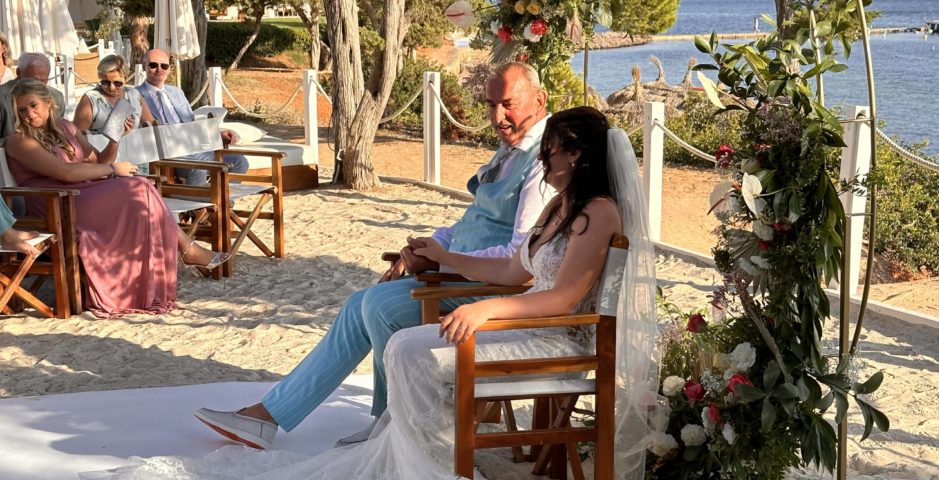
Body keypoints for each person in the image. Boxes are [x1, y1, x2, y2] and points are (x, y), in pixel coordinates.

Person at [89, 107, 658, 480]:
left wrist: (485, 309)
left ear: (575, 154)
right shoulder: (563, 208)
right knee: (404, 344)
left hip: (559, 339)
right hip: (527, 319)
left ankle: (432, 464)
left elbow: (562, 299)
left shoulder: (598, 214)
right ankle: (417, 458)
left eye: (550, 151)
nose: (542, 159)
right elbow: (515, 270)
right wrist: (445, 258)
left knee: (409, 347)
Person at [193, 61, 556, 449]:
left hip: (491, 289)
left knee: (381, 305)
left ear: (539, 100)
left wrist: (441, 260)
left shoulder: (545, 163)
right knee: (358, 304)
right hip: (459, 274)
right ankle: (269, 417)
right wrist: (427, 246)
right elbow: (474, 221)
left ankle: (394, 422)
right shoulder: (512, 149)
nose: (497, 117)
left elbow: (521, 255)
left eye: (507, 104)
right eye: (490, 105)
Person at [3, 79, 232, 317]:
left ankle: (181, 254)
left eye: (33, 106)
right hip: (55, 203)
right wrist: (114, 170)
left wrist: (116, 137)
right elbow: (66, 173)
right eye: (22, 110)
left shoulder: (65, 128)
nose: (29, 114)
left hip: (82, 192)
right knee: (139, 187)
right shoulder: (19, 141)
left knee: (141, 186)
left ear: (48, 103)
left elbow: (99, 161)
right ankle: (186, 249)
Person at [136, 48, 248, 185]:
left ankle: (224, 196)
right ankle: (192, 200)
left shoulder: (176, 92)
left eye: (164, 66)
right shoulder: (135, 95)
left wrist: (217, 134)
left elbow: (192, 126)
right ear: (144, 67)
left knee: (240, 162)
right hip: (166, 153)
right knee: (199, 169)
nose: (159, 69)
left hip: (192, 148)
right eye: (153, 65)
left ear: (169, 69)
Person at [73, 54, 156, 134]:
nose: (111, 88)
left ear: (125, 78)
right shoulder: (90, 99)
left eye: (117, 83)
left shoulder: (134, 95)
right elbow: (77, 136)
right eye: (105, 82)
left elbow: (152, 125)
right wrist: (116, 132)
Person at [0, 53, 65, 139]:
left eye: (43, 80)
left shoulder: (57, 97)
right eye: (33, 80)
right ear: (19, 73)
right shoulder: (2, 97)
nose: (38, 85)